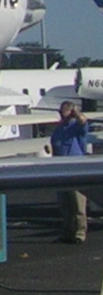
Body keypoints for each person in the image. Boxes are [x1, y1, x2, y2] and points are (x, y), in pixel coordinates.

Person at [51, 101, 91, 243]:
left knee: (78, 204)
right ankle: (68, 232)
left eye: (65, 110)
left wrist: (76, 112)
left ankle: (80, 233)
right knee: (65, 204)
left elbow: (83, 121)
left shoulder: (75, 126)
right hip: (60, 170)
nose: (62, 113)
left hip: (75, 168)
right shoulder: (59, 128)